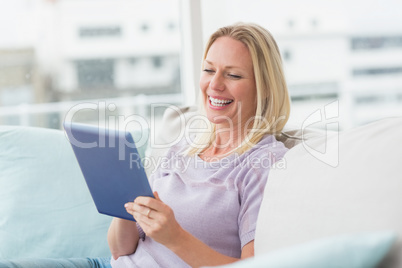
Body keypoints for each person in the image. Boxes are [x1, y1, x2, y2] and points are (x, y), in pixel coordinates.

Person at [108, 22, 291, 268]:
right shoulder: (182, 147)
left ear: (266, 87)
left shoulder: (265, 164)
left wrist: (176, 239)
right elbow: (120, 249)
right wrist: (126, 197)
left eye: (233, 74)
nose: (214, 85)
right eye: (208, 70)